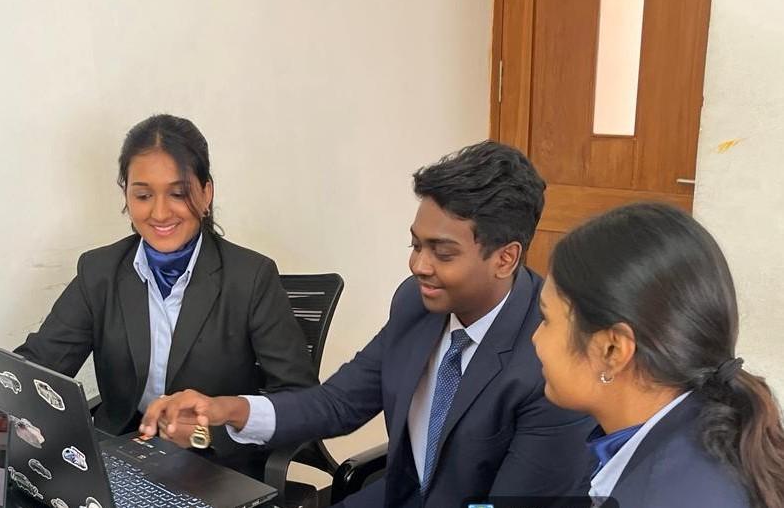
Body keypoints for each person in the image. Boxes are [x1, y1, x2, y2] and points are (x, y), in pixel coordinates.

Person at [141, 141, 595, 508]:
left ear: (505, 258)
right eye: (415, 245)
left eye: (442, 252)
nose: (418, 265)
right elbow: (338, 403)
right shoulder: (416, 305)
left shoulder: (552, 360)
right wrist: (227, 410)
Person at [15, 115, 317, 456]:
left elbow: (301, 401)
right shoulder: (100, 271)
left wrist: (209, 432)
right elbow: (40, 364)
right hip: (122, 452)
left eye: (178, 193)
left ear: (206, 193)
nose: (159, 213)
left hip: (216, 464)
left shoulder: (251, 277)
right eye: (143, 195)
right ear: (126, 196)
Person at [532, 203, 784, 508]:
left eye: (546, 319)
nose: (535, 338)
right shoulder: (702, 433)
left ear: (613, 349)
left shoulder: (669, 493)